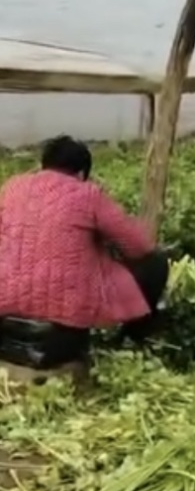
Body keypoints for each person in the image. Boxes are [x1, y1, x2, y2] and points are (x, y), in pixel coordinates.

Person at [0, 135, 170, 346]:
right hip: (66, 312)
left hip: (5, 302)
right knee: (155, 263)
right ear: (81, 172)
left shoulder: (13, 188)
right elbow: (138, 246)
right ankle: (135, 335)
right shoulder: (87, 194)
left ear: (43, 163)